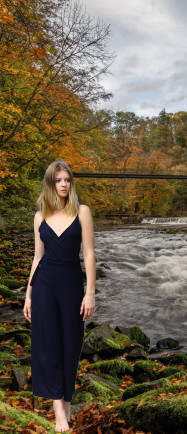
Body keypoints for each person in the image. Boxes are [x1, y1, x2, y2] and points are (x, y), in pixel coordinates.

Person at [23, 160, 96, 433]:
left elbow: (88, 253)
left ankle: (66, 403)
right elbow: (37, 256)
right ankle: (58, 411)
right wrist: (28, 294)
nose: (64, 184)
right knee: (49, 345)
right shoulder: (39, 216)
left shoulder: (82, 211)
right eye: (59, 180)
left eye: (67, 180)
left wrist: (90, 292)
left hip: (72, 284)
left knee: (71, 345)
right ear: (50, 184)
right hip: (43, 286)